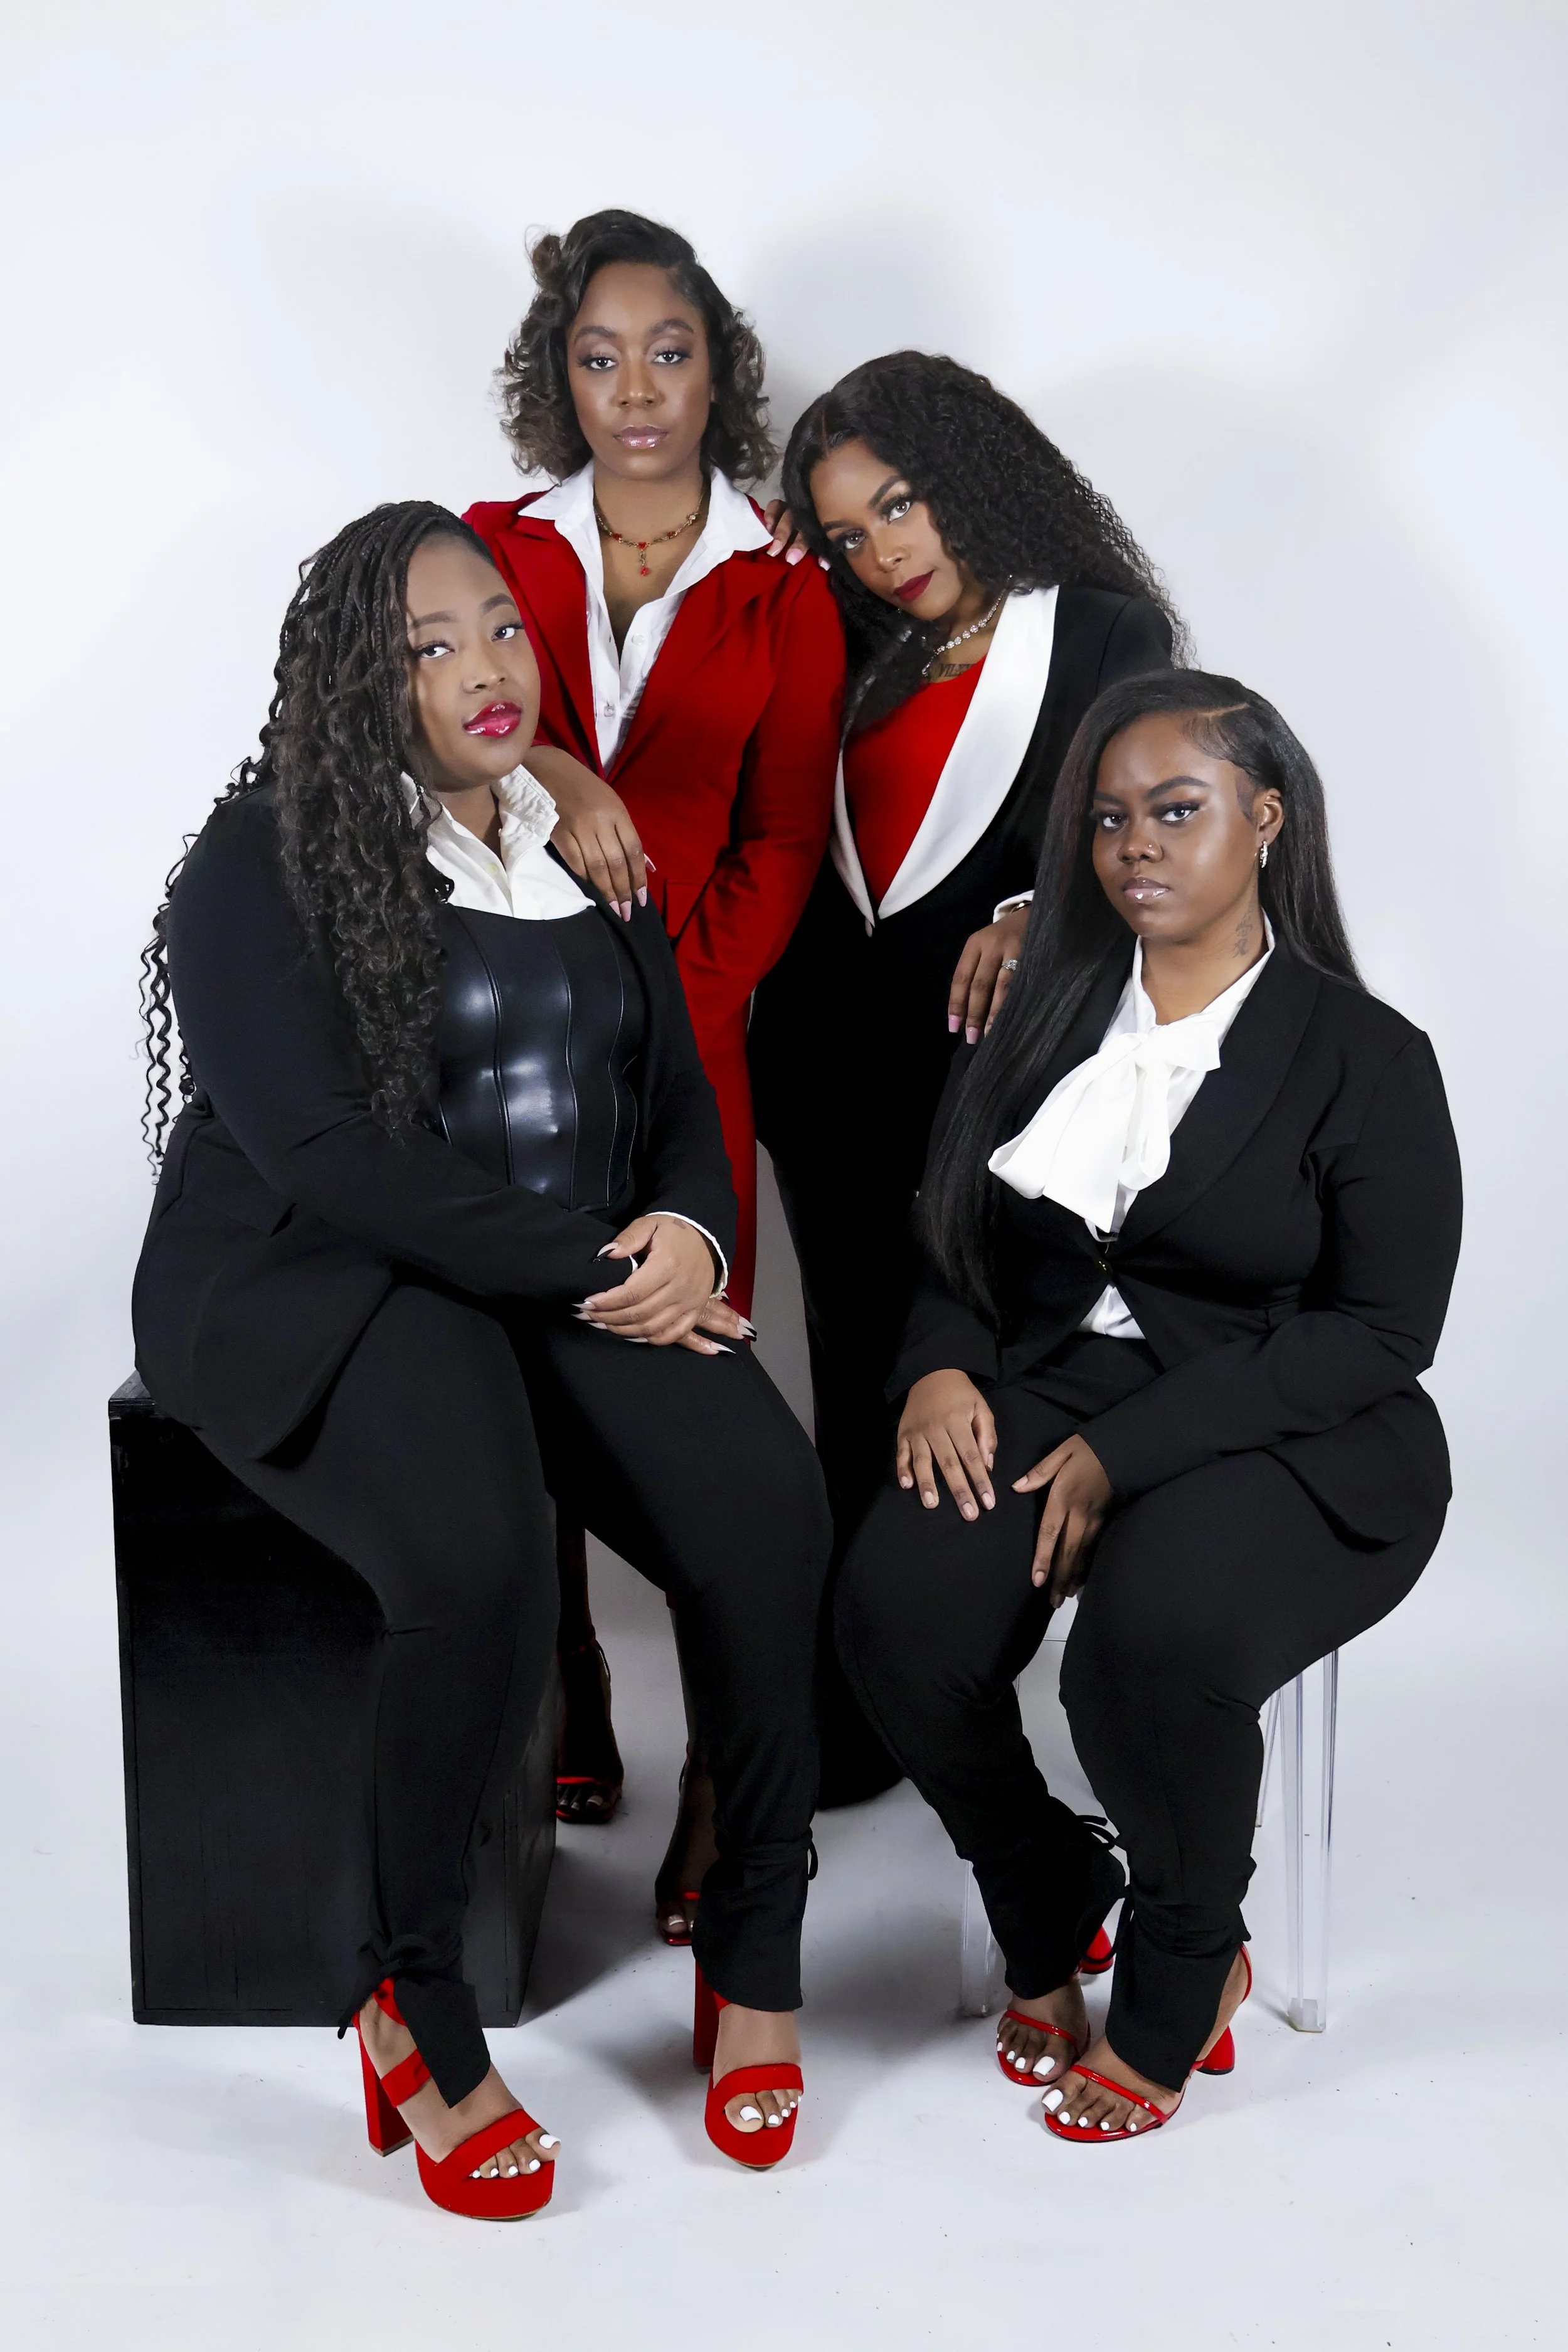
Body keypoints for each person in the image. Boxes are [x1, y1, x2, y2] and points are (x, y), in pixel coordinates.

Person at [133, 504, 828, 2213]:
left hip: (551, 1264)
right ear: (357, 679)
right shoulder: (264, 855)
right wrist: (608, 1266)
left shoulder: (572, 836)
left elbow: (670, 1086)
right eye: (426, 644)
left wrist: (688, 1234)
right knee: (478, 1557)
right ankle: (411, 2000)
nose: (479, 669)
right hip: (325, 1279)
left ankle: (752, 1945)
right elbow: (329, 1156)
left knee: (771, 1512)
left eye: (499, 628)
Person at [837, 669, 1461, 2141]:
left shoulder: (1367, 1057)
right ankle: (1043, 1887)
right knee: (894, 1615)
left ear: (1264, 820)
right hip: (1052, 1376)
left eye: (1176, 811)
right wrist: (935, 1363)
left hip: (1295, 1421)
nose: (1136, 844)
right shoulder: (1035, 1014)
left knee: (1147, 1650)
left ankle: (1191, 1962)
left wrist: (1122, 1454)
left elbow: (1381, 1331)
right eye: (1109, 817)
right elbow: (953, 1239)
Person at [464, 213, 850, 1905]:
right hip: (493, 1030)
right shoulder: (486, 546)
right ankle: (565, 1662)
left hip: (694, 1038)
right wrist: (563, 758)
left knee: (705, 1410)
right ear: (559, 372)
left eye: (670, 353)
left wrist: (678, 1020)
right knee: (507, 1358)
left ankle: (723, 1774)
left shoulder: (782, 577)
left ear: (720, 367)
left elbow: (780, 842)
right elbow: (430, 726)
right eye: (601, 356)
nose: (637, 391)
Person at [750, 350, 1182, 1585]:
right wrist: (768, 571)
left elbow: (1141, 830)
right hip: (825, 1075)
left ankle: (937, 1641)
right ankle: (843, 1684)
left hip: (989, 1079)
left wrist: (1031, 905)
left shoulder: (1100, 631)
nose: (881, 553)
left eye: (897, 504)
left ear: (970, 475)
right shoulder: (849, 650)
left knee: (974, 1358)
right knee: (845, 1364)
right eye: (845, 535)